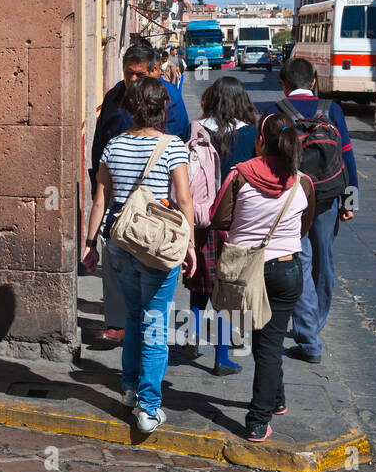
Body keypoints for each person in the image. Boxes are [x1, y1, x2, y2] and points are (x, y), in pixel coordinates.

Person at [82, 78, 195, 434]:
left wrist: (89, 244)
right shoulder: (173, 146)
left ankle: (129, 389)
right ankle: (148, 406)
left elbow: (100, 199)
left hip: (119, 241)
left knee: (133, 316)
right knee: (155, 323)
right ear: (163, 108)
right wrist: (188, 245)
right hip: (158, 246)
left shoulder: (114, 146)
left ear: (130, 109)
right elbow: (184, 201)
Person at [209, 111, 315, 442]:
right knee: (269, 339)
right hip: (287, 269)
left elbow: (218, 219)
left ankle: (258, 418)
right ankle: (276, 397)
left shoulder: (238, 176)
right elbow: (304, 226)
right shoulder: (304, 183)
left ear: (259, 141)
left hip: (247, 270)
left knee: (264, 342)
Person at [256, 56, 357, 365]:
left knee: (299, 261)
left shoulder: (274, 112)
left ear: (284, 85)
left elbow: (265, 160)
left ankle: (308, 333)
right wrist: (350, 200)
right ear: (313, 81)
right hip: (327, 196)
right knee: (324, 261)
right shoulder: (332, 110)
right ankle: (317, 323)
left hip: (292, 200)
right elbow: (347, 154)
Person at [89, 41, 192, 343]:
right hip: (121, 197)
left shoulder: (170, 97)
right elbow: (100, 141)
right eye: (127, 74)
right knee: (116, 261)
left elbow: (182, 136)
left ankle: (144, 336)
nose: (131, 81)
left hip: (157, 200)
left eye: (137, 74)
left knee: (151, 266)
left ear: (153, 72)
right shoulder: (113, 97)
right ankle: (120, 324)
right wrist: (98, 176)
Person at [185, 76, 259, 374]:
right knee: (229, 290)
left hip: (203, 218)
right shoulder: (252, 136)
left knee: (199, 282)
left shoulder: (196, 130)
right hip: (237, 222)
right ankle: (223, 357)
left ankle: (190, 338)